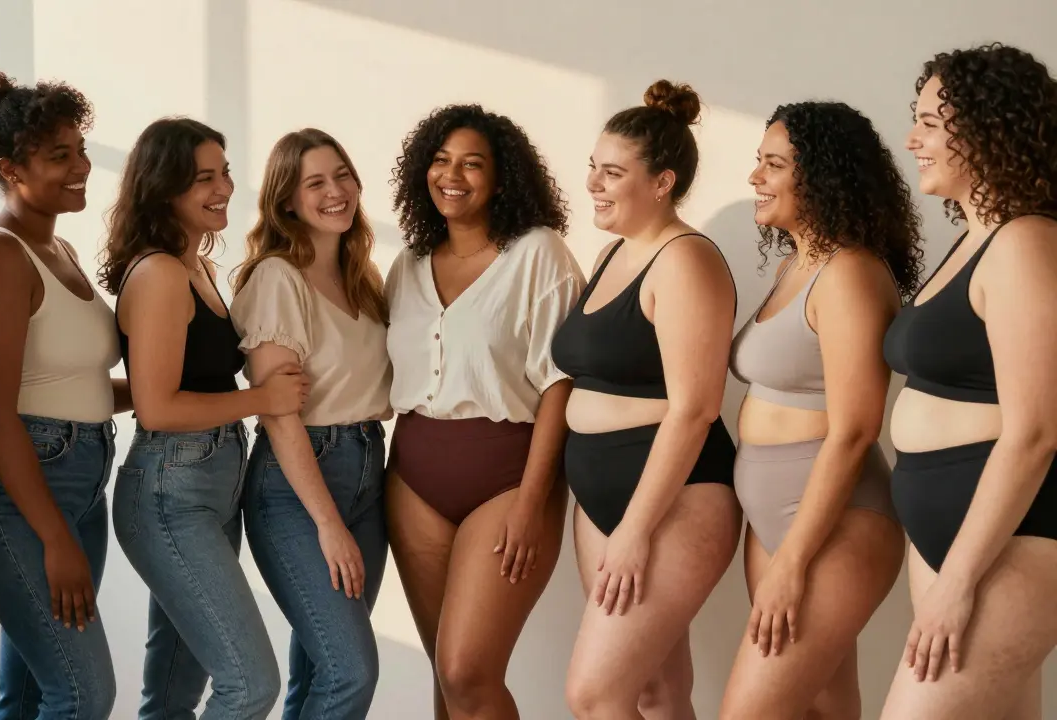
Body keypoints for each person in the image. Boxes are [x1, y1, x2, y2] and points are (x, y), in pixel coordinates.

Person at [719, 101, 922, 719]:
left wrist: (794, 560)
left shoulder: (850, 273)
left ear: (822, 177)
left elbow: (857, 429)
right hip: (771, 517)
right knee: (821, 709)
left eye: (773, 165)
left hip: (836, 518)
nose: (755, 177)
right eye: (759, 161)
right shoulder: (794, 264)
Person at [101, 117, 307, 720]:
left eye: (225, 173)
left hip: (212, 484)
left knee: (174, 694)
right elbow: (159, 407)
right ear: (164, 188)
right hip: (172, 491)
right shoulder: (161, 273)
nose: (223, 189)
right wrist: (262, 399)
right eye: (203, 179)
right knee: (250, 685)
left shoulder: (199, 268)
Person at [385, 103, 583, 720]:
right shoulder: (407, 264)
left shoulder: (539, 254)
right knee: (447, 678)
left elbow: (561, 385)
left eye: (472, 163)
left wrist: (531, 504)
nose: (452, 175)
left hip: (507, 481)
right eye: (441, 160)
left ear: (501, 179)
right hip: (413, 483)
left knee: (468, 671)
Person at [880, 43, 1057, 720]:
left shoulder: (1025, 242)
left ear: (988, 131)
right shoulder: (974, 241)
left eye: (929, 123)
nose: (912, 139)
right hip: (951, 535)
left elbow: (1036, 432)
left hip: (1011, 536)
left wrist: (958, 579)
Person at [553, 81, 741, 720]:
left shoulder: (686, 260)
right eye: (593, 168)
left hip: (672, 499)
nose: (593, 184)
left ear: (662, 182)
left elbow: (696, 408)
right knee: (653, 693)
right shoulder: (613, 254)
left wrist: (635, 528)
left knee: (594, 695)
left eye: (612, 173)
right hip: (601, 501)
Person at [0, 70, 124, 719]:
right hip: (13, 496)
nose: (81, 167)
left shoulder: (62, 248)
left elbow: (72, 385)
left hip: (82, 482)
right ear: (11, 168)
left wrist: (176, 391)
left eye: (81, 150)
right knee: (82, 692)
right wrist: (53, 537)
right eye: (59, 156)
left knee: (30, 693)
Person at [230, 127, 393, 720]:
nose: (335, 191)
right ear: (287, 201)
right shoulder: (279, 278)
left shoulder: (362, 278)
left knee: (321, 669)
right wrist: (327, 522)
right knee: (351, 671)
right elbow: (278, 412)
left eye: (342, 175)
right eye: (315, 183)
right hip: (298, 485)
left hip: (368, 470)